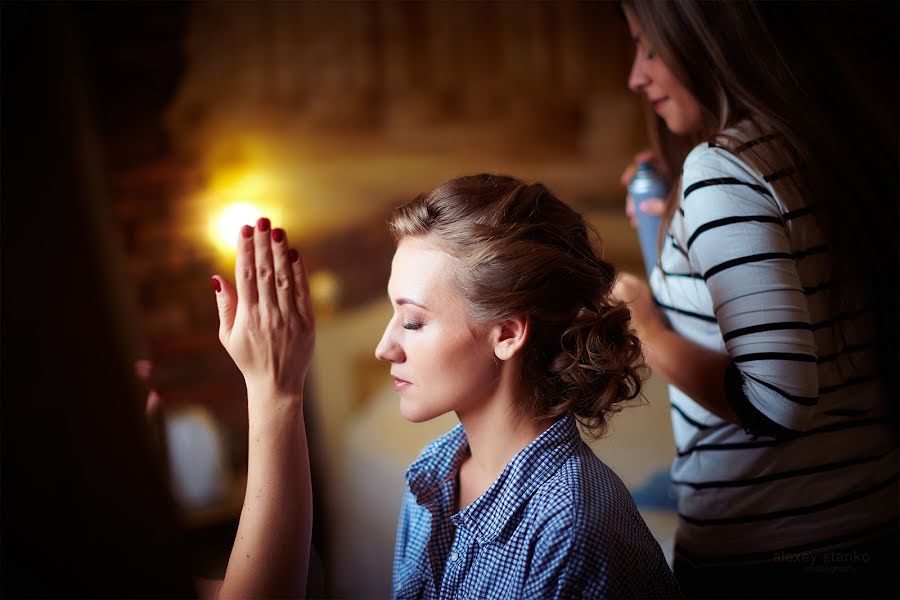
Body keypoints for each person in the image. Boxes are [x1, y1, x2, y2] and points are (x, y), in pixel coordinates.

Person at [614, 1, 899, 598]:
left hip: (765, 551)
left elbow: (775, 403)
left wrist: (642, 323)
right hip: (872, 518)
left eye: (649, 47)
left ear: (706, 38)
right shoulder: (822, 143)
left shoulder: (722, 173)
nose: (636, 76)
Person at [377, 174, 680, 599]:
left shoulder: (571, 529)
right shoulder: (432, 477)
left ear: (506, 335)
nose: (384, 348)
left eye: (412, 322)